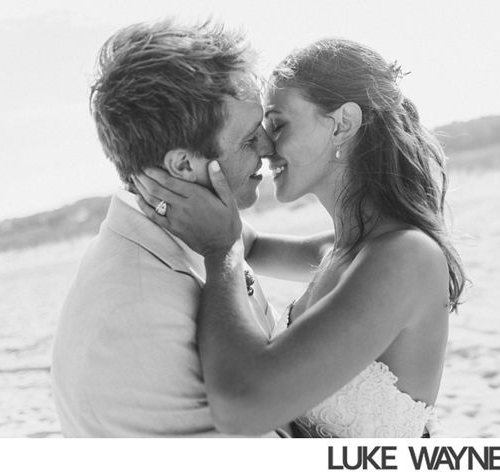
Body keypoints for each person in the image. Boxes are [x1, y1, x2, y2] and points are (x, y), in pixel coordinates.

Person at [134, 38, 466, 437]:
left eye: (277, 124)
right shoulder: (338, 249)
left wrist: (220, 252)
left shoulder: (404, 257)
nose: (266, 145)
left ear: (342, 124)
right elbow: (248, 244)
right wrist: (181, 176)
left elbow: (243, 412)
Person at [51, 19, 331, 436]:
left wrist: (388, 246)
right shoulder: (140, 314)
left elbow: (283, 249)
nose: (269, 148)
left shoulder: (172, 224)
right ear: (183, 165)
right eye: (249, 138)